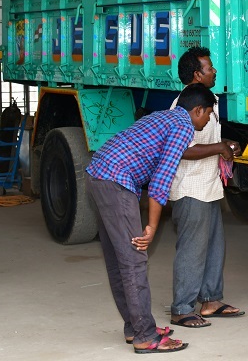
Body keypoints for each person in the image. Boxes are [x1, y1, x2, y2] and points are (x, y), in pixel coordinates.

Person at [85, 83, 216, 353]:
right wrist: (152, 226)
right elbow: (160, 181)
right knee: (134, 260)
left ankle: (135, 327)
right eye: (209, 114)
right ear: (198, 110)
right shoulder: (183, 127)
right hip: (116, 180)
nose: (208, 121)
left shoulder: (164, 116)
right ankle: (145, 335)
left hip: (97, 173)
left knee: (117, 260)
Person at [169, 47, 244, 329]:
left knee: (213, 246)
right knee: (192, 249)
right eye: (209, 68)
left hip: (209, 187)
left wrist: (227, 147)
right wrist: (220, 148)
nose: (214, 71)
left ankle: (211, 300)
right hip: (190, 189)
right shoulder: (182, 107)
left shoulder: (209, 100)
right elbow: (181, 149)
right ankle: (182, 308)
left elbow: (212, 141)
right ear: (197, 74)